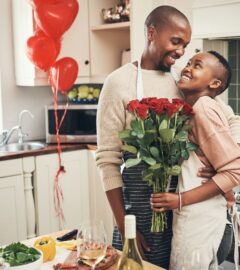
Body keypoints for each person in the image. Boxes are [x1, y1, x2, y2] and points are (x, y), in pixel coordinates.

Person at [96, 5, 240, 268]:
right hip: (140, 213)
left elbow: (230, 118)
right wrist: (125, 224)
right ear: (152, 33)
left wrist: (222, 161)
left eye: (185, 45)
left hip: (184, 212)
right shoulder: (118, 83)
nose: (181, 52)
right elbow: (107, 161)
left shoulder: (183, 83)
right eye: (176, 42)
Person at [150, 51, 240, 270]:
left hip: (200, 221)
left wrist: (179, 199)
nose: (187, 67)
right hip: (203, 218)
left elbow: (235, 171)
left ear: (215, 83)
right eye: (189, 62)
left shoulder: (203, 108)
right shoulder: (195, 108)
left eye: (197, 65)